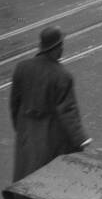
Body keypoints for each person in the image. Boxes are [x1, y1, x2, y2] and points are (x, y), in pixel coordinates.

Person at [9, 26, 90, 181]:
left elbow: (14, 104)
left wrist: (21, 128)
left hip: (27, 132)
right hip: (50, 135)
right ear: (56, 48)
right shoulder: (61, 75)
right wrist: (81, 139)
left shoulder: (22, 67)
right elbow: (67, 111)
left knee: (26, 174)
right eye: (61, 46)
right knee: (52, 176)